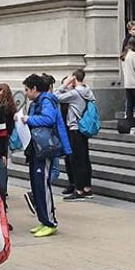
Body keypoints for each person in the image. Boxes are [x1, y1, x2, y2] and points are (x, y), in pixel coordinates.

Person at [20, 74, 71, 238]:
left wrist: (29, 119)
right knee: (37, 185)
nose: (26, 93)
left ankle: (50, 222)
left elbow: (48, 119)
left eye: (27, 89)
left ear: (34, 89)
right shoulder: (39, 101)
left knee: (43, 185)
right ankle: (43, 219)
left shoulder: (46, 101)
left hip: (45, 149)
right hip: (37, 148)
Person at [55, 70, 95, 201]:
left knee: (76, 159)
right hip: (83, 128)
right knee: (84, 158)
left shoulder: (75, 93)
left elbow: (55, 96)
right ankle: (87, 188)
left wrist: (64, 85)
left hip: (74, 128)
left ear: (74, 78)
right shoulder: (87, 91)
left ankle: (79, 189)